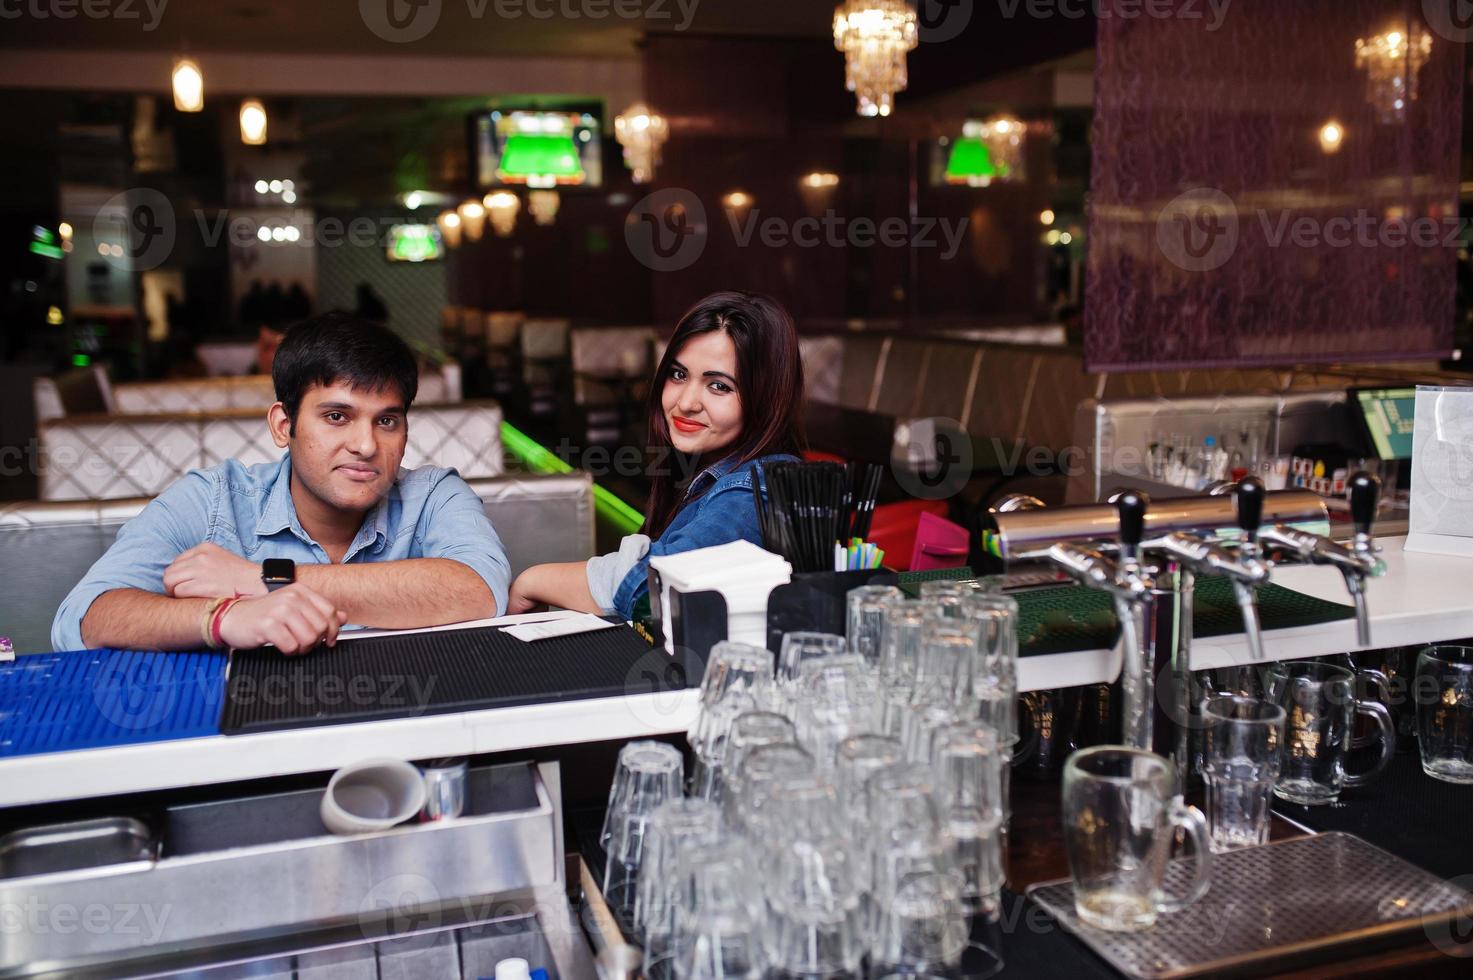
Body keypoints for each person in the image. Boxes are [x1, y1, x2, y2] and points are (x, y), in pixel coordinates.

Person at [52, 312, 510, 654]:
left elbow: (480, 591)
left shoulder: (432, 494)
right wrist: (222, 616)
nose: (366, 445)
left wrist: (263, 580)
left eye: (387, 421)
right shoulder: (216, 500)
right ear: (282, 425)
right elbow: (82, 618)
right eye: (336, 417)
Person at [508, 291, 804, 620]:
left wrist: (531, 581)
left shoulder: (749, 494)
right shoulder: (706, 469)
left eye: (718, 386)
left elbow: (651, 591)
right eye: (678, 374)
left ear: (766, 398)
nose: (686, 402)